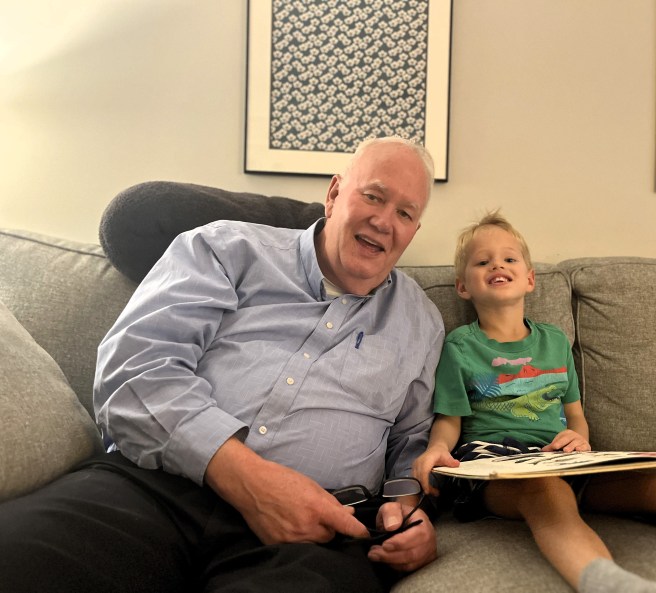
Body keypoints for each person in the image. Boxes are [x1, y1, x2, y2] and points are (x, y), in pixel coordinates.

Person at [0, 137, 445, 593]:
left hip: (313, 537)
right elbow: (134, 372)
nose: (383, 221)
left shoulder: (421, 323)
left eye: (404, 213)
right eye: (373, 196)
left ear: (413, 230)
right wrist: (249, 479)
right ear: (333, 194)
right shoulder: (224, 248)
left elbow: (412, 443)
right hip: (157, 490)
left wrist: (408, 511)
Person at [413, 211, 656, 593]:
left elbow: (575, 417)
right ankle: (608, 584)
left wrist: (579, 439)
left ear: (529, 279)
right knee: (546, 489)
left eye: (509, 258)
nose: (497, 265)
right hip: (493, 463)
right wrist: (436, 449)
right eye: (483, 261)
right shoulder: (459, 346)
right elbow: (449, 420)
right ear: (463, 286)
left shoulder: (554, 341)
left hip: (561, 460)